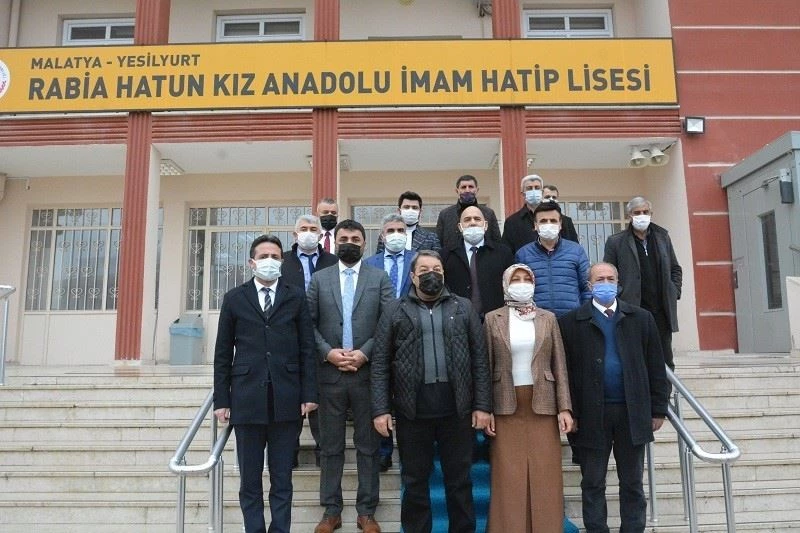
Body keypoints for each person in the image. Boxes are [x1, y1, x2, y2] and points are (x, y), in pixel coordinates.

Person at [371, 250, 493, 533]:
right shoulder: (394, 310)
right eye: (424, 270)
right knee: (414, 482)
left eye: (437, 269)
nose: (431, 274)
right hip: (412, 412)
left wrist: (482, 406)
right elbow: (380, 363)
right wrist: (380, 409)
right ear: (413, 276)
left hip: (457, 411)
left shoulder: (463, 307)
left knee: (459, 482)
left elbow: (480, 360)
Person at [213, 234, 318, 533]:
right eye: (263, 257)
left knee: (282, 479)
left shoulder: (295, 296)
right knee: (250, 481)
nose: (269, 261)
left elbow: (307, 348)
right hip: (246, 399)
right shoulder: (234, 298)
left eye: (274, 256)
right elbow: (223, 353)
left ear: (282, 262)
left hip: (287, 399)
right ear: (251, 262)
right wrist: (222, 400)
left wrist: (309, 393)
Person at [558, 262, 670, 533]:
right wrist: (570, 410)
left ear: (618, 284)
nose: (605, 284)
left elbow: (656, 366)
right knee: (593, 482)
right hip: (590, 415)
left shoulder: (641, 319)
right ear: (589, 285)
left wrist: (658, 409)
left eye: (611, 279)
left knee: (632, 482)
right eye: (600, 279)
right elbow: (565, 372)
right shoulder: (571, 323)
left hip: (632, 413)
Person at [306, 219, 394, 533]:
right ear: (335, 242)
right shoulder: (320, 279)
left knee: (368, 447)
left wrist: (365, 352)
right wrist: (328, 352)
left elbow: (388, 321)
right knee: (330, 448)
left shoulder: (379, 278)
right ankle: (331, 511)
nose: (349, 243)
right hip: (329, 375)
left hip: (367, 375)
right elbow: (308, 323)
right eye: (344, 238)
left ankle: (366, 512)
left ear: (364, 243)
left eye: (355, 239)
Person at [483, 263, 574, 533]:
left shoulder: (548, 318)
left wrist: (565, 407)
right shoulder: (493, 318)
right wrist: (485, 408)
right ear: (505, 284)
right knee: (508, 475)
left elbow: (559, 365)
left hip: (543, 403)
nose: (521, 284)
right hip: (505, 404)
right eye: (516, 279)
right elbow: (485, 366)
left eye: (526, 279)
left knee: (545, 474)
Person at [281, 214, 338, 467]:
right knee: (291, 396)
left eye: (313, 229)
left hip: (324, 337)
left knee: (321, 397)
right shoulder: (282, 261)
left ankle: (323, 453)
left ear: (320, 234)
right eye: (303, 229)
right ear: (294, 235)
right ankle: (289, 452)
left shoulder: (333, 261)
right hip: (289, 338)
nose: (308, 232)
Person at [364, 213, 418, 471]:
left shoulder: (418, 260)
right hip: (379, 335)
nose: (396, 234)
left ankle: (411, 451)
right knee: (381, 394)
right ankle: (383, 451)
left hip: (411, 335)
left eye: (400, 230)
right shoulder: (369, 264)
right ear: (382, 236)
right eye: (390, 230)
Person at [603, 196, 683, 370]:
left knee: (664, 359)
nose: (642, 216)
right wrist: (621, 295)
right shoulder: (616, 242)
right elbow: (608, 273)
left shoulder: (663, 237)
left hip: (661, 311)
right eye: (637, 212)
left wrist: (674, 291)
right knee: (635, 358)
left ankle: (664, 389)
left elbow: (675, 268)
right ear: (629, 215)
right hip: (632, 309)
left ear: (651, 213)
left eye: (645, 212)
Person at [515, 201, 591, 317]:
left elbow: (587, 288)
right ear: (535, 225)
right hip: (538, 320)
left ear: (560, 224)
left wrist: (584, 315)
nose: (548, 224)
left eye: (553, 221)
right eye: (543, 221)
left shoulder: (576, 251)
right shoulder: (523, 254)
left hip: (571, 319)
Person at [440, 205, 514, 320]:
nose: (472, 223)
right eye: (467, 220)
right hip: (458, 320)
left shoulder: (503, 253)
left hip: (495, 319)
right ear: (460, 227)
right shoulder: (446, 255)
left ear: (486, 225)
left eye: (477, 219)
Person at [502, 175, 578, 253]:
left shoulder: (564, 220)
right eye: (529, 188)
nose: (533, 191)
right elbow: (506, 252)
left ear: (542, 192)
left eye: (537, 188)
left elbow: (575, 249)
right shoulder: (512, 222)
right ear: (523, 194)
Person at [436, 174, 501, 251]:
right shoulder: (445, 214)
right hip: (451, 257)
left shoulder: (489, 213)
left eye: (471, 187)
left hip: (484, 256)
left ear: (477, 190)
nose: (467, 190)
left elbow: (497, 241)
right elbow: (438, 242)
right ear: (457, 191)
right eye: (463, 187)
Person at [376, 191, 440, 253]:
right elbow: (379, 257)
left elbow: (436, 258)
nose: (410, 210)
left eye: (414, 208)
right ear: (399, 210)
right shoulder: (387, 235)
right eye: (406, 207)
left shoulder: (432, 237)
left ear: (420, 212)